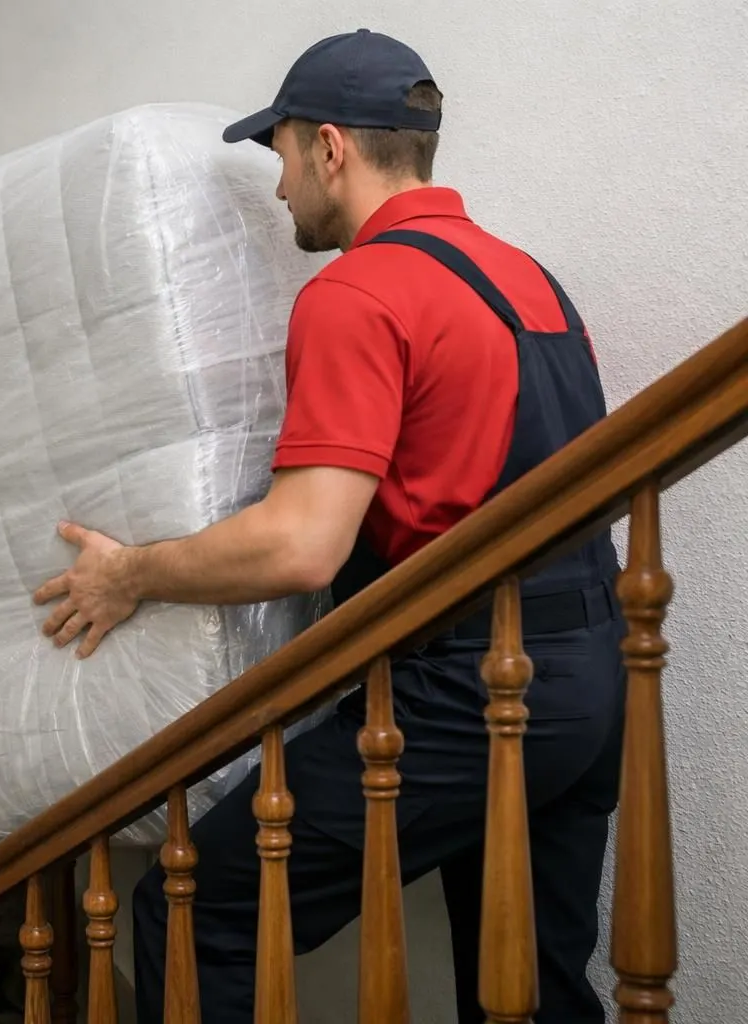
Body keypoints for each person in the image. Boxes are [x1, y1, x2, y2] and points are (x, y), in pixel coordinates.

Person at [31, 29, 624, 1023]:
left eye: (283, 156)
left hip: (470, 687)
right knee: (530, 992)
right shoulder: (527, 275)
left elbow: (302, 543)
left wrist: (129, 572)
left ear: (331, 148)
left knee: (190, 911)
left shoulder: (357, 290)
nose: (280, 190)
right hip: (596, 672)